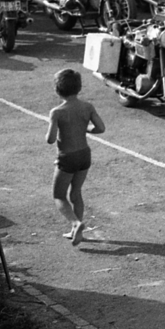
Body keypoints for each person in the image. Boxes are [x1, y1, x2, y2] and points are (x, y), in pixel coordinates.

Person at [45, 68, 105, 246]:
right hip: (84, 155)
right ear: (79, 88)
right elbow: (101, 128)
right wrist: (85, 129)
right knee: (76, 192)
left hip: (67, 157)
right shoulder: (87, 107)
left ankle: (75, 223)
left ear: (57, 90)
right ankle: (77, 232)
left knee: (59, 195)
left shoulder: (57, 112)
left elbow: (50, 139)